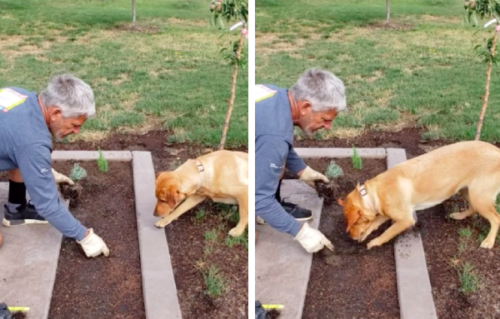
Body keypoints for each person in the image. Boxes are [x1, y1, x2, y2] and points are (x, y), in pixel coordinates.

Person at [0, 74, 109, 258]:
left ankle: (16, 209)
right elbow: (47, 205)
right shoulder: (32, 141)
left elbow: (14, 140)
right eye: (74, 125)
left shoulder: (20, 95)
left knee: (21, 155)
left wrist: (44, 172)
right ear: (56, 113)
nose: (76, 131)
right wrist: (85, 236)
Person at [255, 68, 347, 253]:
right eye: (325, 119)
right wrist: (301, 232)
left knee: (275, 161)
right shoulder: (274, 135)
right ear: (305, 107)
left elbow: (275, 145)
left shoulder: (275, 94)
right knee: (270, 179)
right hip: (233, 164)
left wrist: (302, 171)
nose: (328, 127)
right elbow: (259, 198)